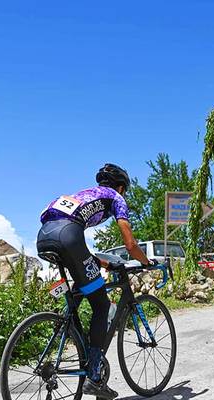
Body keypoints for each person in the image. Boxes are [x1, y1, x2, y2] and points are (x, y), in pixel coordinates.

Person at [37, 163, 151, 399]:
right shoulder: (116, 197)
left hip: (45, 236)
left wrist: (103, 263)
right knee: (101, 305)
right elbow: (130, 245)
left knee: (80, 290)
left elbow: (76, 243)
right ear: (121, 186)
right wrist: (146, 262)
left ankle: (69, 333)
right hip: (69, 235)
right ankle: (95, 377)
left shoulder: (86, 194)